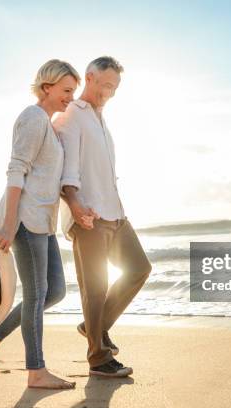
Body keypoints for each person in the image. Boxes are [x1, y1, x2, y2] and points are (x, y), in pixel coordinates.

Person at [0, 59, 85, 389]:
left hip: (43, 221)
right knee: (37, 295)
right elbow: (16, 170)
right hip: (24, 218)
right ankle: (36, 371)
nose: (70, 97)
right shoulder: (33, 117)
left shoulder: (49, 125)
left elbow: (48, 177)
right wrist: (9, 225)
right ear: (47, 87)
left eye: (73, 92)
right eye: (66, 90)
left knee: (55, 291)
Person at [54, 56, 152, 378]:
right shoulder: (72, 115)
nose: (109, 92)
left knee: (139, 268)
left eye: (114, 88)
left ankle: (94, 327)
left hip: (115, 212)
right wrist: (76, 205)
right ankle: (98, 358)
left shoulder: (101, 119)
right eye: (106, 85)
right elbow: (66, 168)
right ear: (90, 77)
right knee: (95, 287)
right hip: (89, 215)